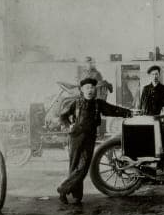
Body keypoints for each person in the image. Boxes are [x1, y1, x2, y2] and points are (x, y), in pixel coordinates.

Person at [57, 77, 133, 205]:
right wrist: (69, 125)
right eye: (87, 88)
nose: (90, 90)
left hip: (90, 137)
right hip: (75, 137)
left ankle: (63, 189)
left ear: (95, 90)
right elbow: (63, 117)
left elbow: (113, 110)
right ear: (82, 90)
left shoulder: (99, 104)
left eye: (92, 88)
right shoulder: (76, 103)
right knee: (74, 166)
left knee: (84, 167)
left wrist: (128, 113)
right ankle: (76, 196)